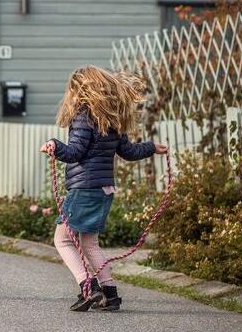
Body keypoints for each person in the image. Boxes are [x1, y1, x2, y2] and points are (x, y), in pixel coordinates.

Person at [40, 65, 167, 311]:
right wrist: (152, 147)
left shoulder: (83, 117)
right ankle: (110, 295)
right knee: (90, 243)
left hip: (84, 188)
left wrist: (54, 145)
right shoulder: (112, 121)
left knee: (63, 240)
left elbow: (75, 152)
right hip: (104, 189)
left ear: (82, 91)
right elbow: (129, 152)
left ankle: (88, 288)